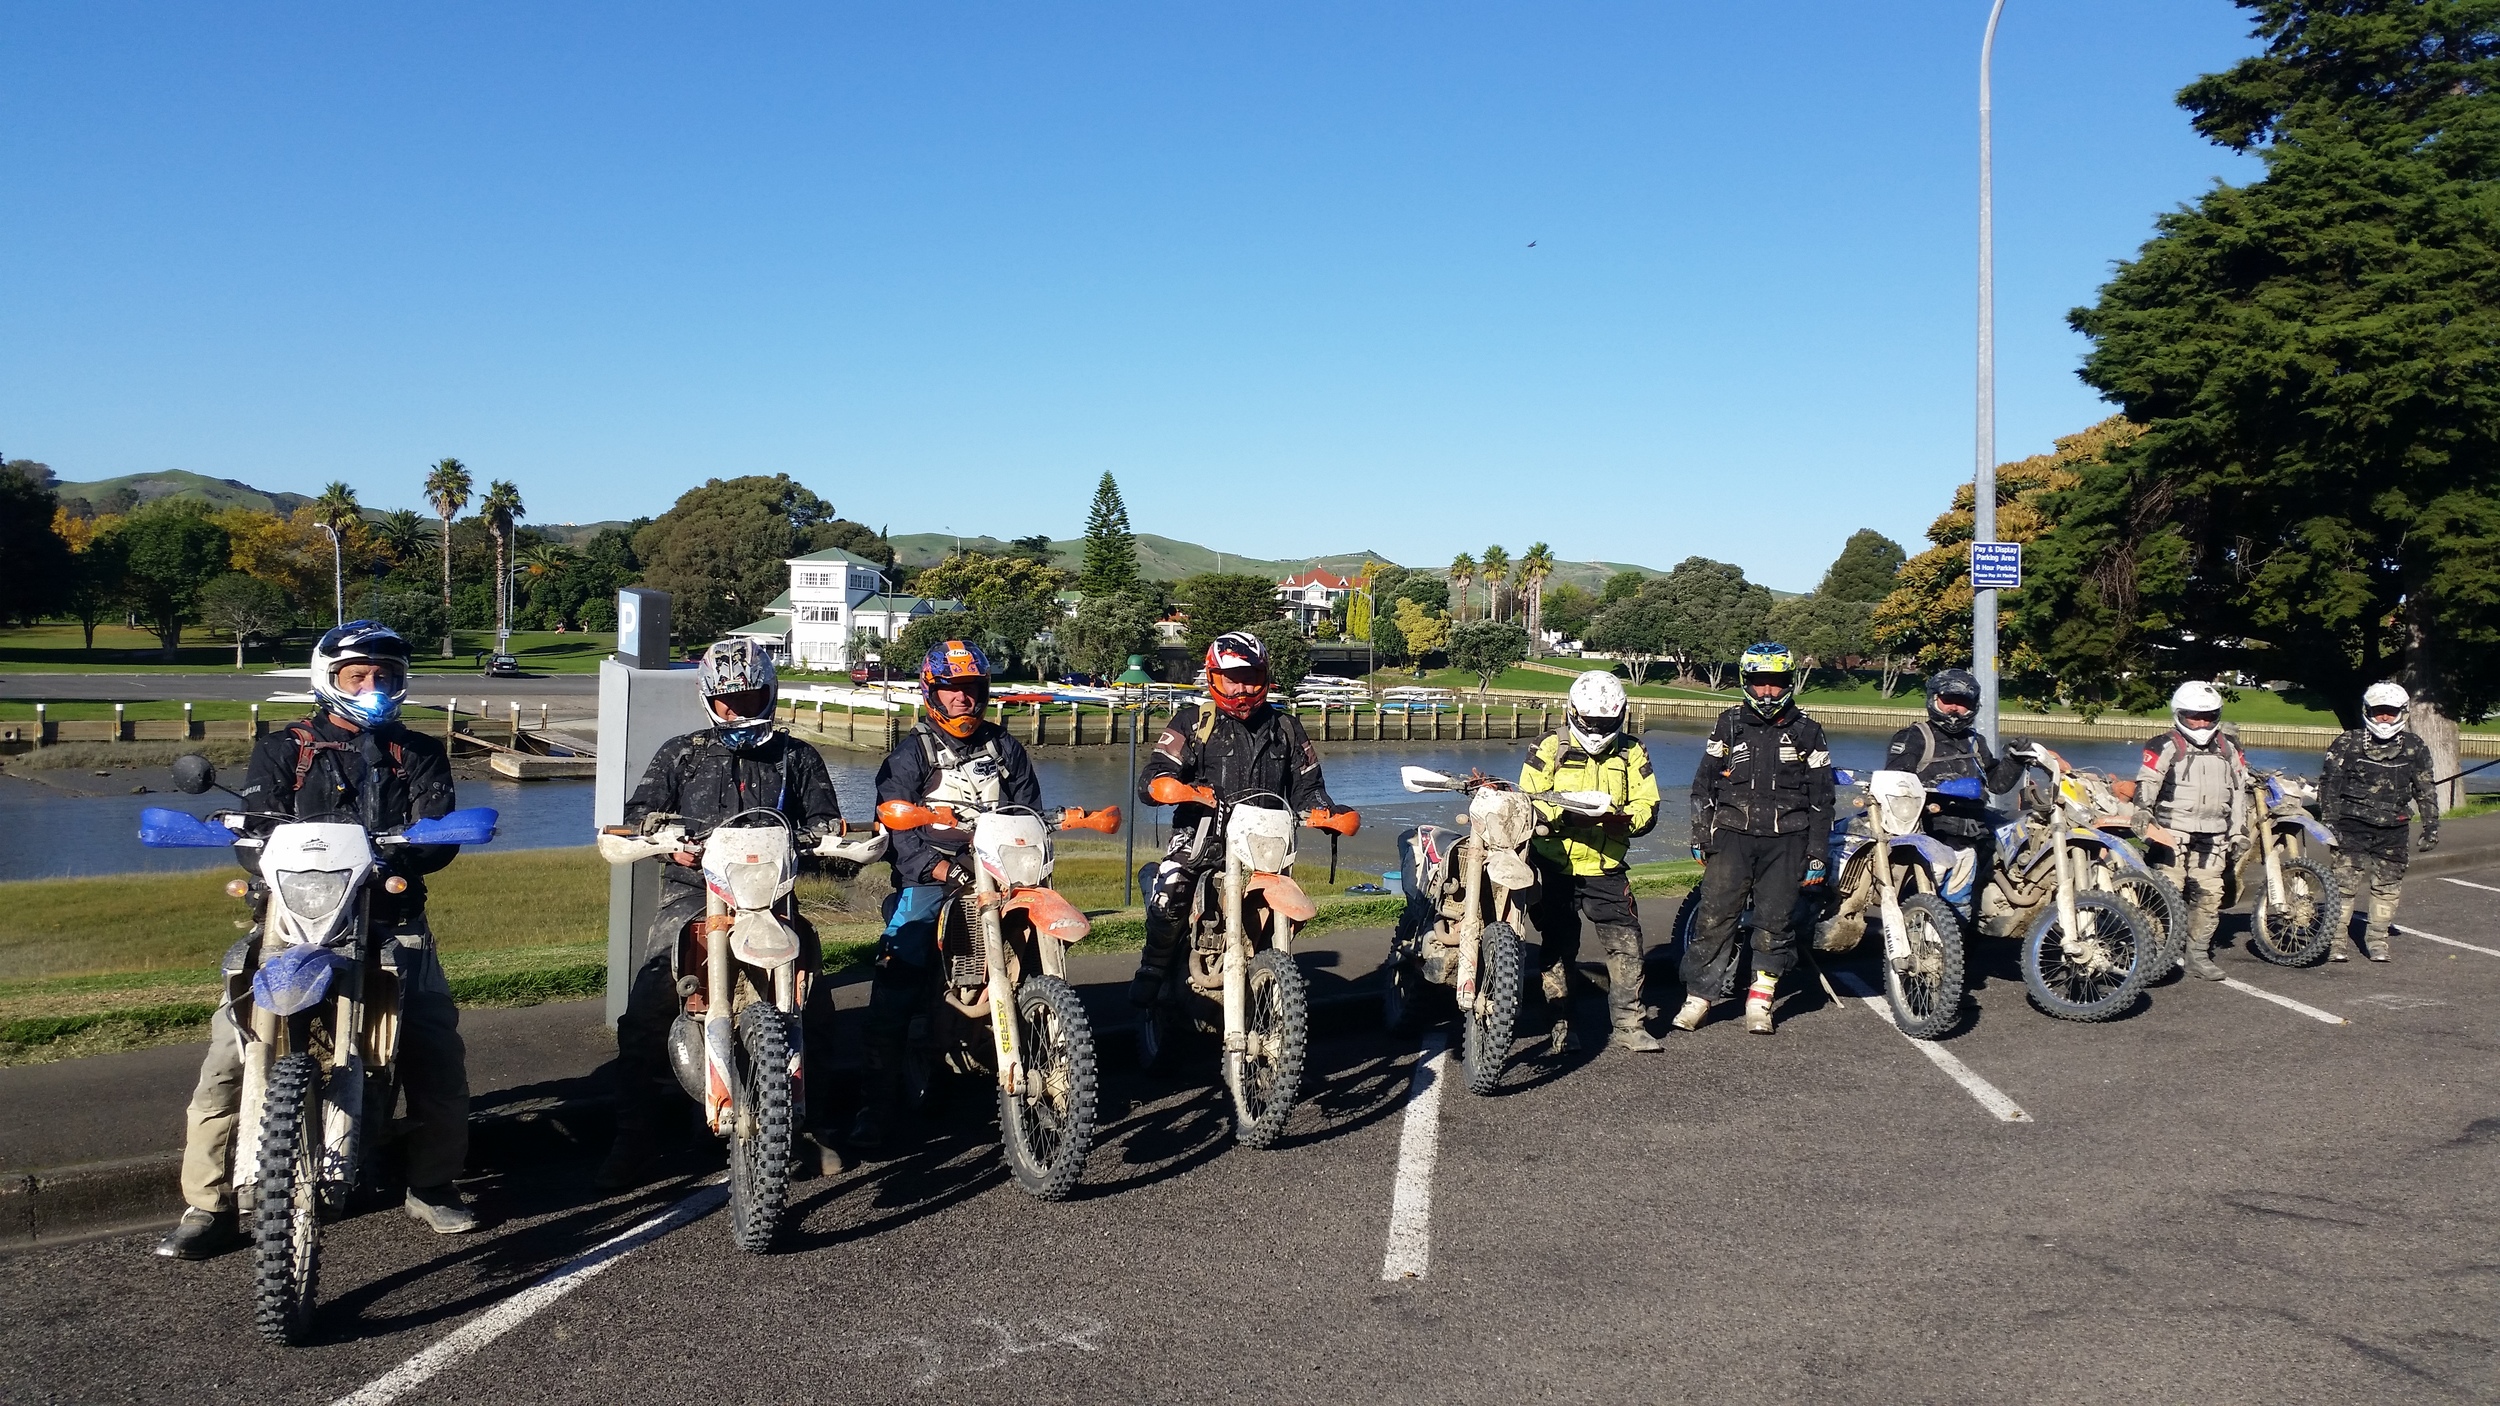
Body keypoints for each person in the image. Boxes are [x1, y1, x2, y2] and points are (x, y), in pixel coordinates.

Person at [158, 622, 477, 1258]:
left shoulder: (418, 752)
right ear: (327, 678)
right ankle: (208, 1204)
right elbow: (254, 823)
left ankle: (432, 1183)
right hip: (290, 920)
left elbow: (437, 828)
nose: (373, 686)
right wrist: (240, 834)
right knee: (231, 1051)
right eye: (358, 675)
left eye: (384, 675)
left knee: (433, 1045)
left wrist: (424, 845)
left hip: (389, 919)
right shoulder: (284, 748)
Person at [598, 639, 847, 1189]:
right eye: (727, 699)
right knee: (645, 1012)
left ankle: (814, 1127)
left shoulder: (797, 756)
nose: (738, 708)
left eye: (750, 696)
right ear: (709, 698)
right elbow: (640, 814)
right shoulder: (681, 753)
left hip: (774, 899)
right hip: (693, 895)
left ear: (770, 693)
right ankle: (633, 1140)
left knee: (816, 1009)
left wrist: (825, 839)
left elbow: (827, 821)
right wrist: (667, 840)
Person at [853, 639, 1042, 1148]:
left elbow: (1029, 810)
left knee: (1040, 950)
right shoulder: (910, 752)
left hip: (1002, 874)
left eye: (973, 688)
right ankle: (876, 1106)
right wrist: (937, 868)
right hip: (931, 878)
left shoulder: (1006, 748)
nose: (964, 699)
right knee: (898, 971)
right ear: (931, 691)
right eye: (953, 689)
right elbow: (895, 824)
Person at [1130, 632, 1340, 1005]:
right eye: (1233, 677)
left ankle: (1263, 972)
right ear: (1214, 677)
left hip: (1265, 848)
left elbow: (1309, 788)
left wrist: (1329, 813)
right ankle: (1154, 966)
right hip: (1199, 838)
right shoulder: (1194, 722)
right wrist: (1176, 789)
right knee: (1172, 887)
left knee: (1292, 907)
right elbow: (1154, 776)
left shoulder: (1286, 729)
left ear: (1264, 676)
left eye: (1251, 676)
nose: (1242, 687)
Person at [1679, 642, 1835, 1036]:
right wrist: (1701, 832)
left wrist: (1817, 853)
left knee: (1775, 922)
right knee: (1715, 918)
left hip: (1788, 842)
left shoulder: (1809, 732)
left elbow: (1823, 799)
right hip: (1732, 838)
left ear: (1790, 684)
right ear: (1747, 682)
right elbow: (1704, 785)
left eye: (1777, 684)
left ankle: (1759, 1001)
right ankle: (1699, 998)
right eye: (1760, 684)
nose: (1768, 693)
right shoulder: (1728, 724)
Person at [1518, 670, 1664, 1053]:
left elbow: (1648, 805)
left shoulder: (1633, 751)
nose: (1597, 729)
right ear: (1573, 713)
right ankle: (1561, 1026)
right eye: (1590, 721)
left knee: (1627, 947)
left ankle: (1630, 1025)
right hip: (1555, 868)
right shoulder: (1547, 747)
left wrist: (1621, 819)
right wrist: (1563, 816)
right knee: (1558, 948)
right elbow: (1527, 802)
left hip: (1606, 868)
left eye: (1605, 722)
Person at [2133, 680, 2247, 982]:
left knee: (2209, 895)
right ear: (2179, 714)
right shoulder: (2165, 744)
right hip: (2172, 831)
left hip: (2214, 835)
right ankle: (2155, 952)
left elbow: (2239, 792)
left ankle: (2197, 955)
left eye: (2208, 716)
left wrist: (2238, 832)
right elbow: (2147, 781)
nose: (2201, 723)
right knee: (2165, 894)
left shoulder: (2229, 747)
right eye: (2194, 716)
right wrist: (2143, 812)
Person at [2319, 682, 2439, 963]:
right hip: (2351, 826)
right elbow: (2328, 785)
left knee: (2388, 886)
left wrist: (2431, 826)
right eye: (2378, 712)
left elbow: (2425, 788)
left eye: (2390, 712)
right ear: (2367, 712)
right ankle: (2336, 941)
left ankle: (2377, 940)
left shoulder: (2415, 747)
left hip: (2394, 829)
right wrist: (2330, 822)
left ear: (2402, 713)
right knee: (2343, 885)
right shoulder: (2347, 743)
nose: (2384, 718)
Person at [1881, 667, 2024, 858]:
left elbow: (1997, 785)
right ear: (1934, 699)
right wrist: (1936, 787)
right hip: (1928, 837)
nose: (1954, 708)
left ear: (1974, 705)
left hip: (1971, 837)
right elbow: (1894, 787)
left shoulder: (1976, 741)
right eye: (1947, 700)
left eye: (1962, 701)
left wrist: (2015, 759)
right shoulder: (1913, 737)